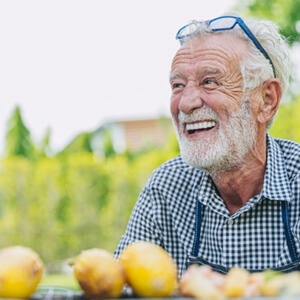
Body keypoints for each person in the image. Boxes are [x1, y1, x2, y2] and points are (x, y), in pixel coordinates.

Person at [115, 12, 300, 277]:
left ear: (267, 100)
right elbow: (119, 285)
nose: (186, 103)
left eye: (209, 82)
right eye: (178, 85)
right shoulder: (166, 188)